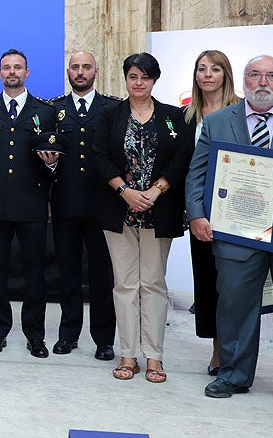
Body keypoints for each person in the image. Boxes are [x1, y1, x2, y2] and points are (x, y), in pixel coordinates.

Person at [187, 55, 273, 408]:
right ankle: (233, 375)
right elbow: (198, 174)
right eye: (255, 75)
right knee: (235, 305)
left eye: (271, 76)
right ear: (244, 80)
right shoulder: (219, 121)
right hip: (236, 231)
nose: (263, 82)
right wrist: (197, 215)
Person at [92, 52, 192, 383]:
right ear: (126, 79)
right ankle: (127, 354)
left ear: (155, 80)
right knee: (124, 285)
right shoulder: (110, 115)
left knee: (153, 284)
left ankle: (154, 357)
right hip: (119, 209)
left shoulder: (174, 117)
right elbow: (100, 157)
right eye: (133, 76)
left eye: (145, 77)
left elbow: (181, 159)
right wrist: (126, 191)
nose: (139, 83)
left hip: (158, 210)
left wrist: (156, 191)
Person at [0, 49, 58, 358]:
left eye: (18, 67)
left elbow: (55, 161)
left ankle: (35, 335)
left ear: (27, 72)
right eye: (6, 67)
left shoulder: (44, 112)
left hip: (31, 202)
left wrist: (51, 165)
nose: (12, 72)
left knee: (35, 274)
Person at [49, 51, 118, 360]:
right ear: (68, 71)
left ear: (96, 70)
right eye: (75, 67)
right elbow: (45, 157)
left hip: (103, 204)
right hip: (65, 203)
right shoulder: (54, 110)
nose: (80, 72)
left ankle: (104, 338)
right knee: (68, 272)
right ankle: (68, 334)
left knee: (102, 274)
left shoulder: (113, 108)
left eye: (86, 67)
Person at [182, 49, 240, 376]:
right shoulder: (186, 116)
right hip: (200, 212)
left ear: (225, 75)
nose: (207, 75)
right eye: (201, 69)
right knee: (207, 283)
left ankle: (238, 349)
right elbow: (183, 168)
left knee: (235, 286)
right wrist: (188, 210)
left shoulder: (242, 112)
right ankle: (218, 350)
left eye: (214, 69)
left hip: (236, 211)